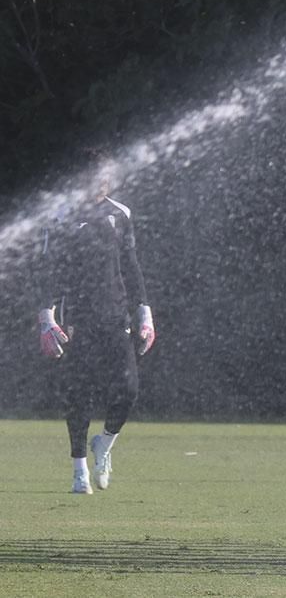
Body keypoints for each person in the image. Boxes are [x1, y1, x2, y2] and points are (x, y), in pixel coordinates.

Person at [38, 154, 156, 495]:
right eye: (94, 176)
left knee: (129, 389)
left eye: (106, 177)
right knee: (79, 394)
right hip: (76, 320)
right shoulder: (60, 215)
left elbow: (131, 267)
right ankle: (79, 470)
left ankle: (104, 443)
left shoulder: (121, 214)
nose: (101, 182)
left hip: (116, 317)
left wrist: (145, 312)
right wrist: (46, 318)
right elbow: (48, 269)